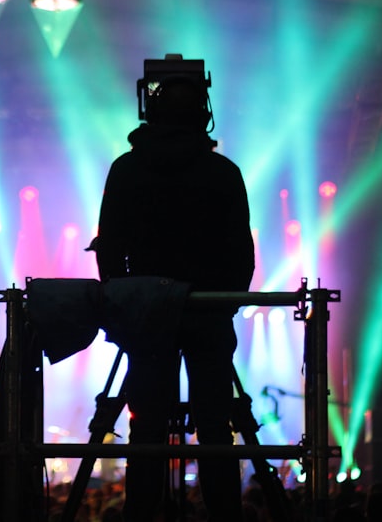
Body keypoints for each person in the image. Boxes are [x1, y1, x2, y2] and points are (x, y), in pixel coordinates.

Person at [94, 55, 255, 522]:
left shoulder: (126, 170)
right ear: (204, 114)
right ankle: (224, 512)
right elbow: (240, 252)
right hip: (207, 313)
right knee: (215, 429)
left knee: (146, 427)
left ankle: (141, 512)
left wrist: (122, 301)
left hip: (147, 313)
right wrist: (225, 304)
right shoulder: (223, 173)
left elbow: (110, 247)